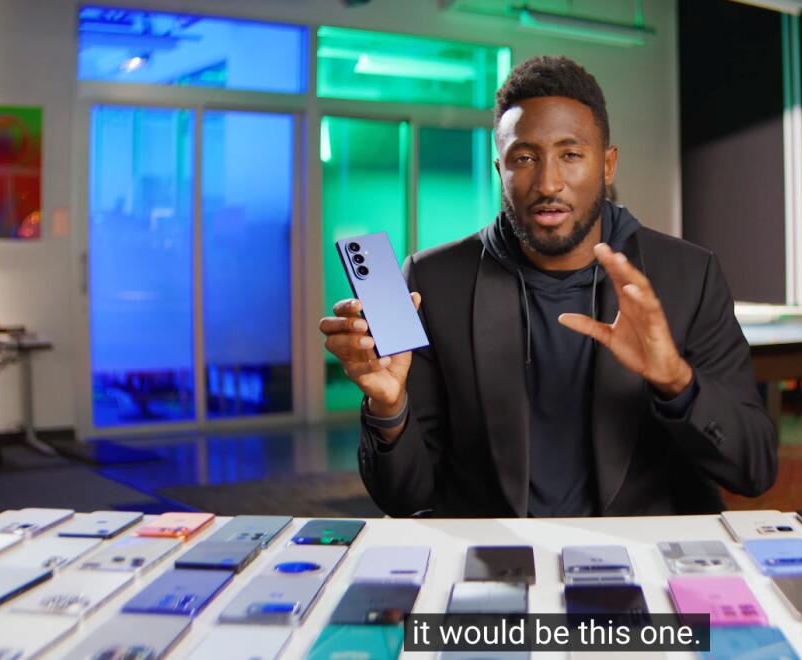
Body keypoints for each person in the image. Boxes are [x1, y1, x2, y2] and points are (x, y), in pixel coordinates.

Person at [321, 55, 776, 517]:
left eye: (570, 154)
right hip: (497, 552)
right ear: (500, 169)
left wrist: (676, 380)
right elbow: (406, 499)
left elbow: (754, 470)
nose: (548, 183)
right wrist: (389, 407)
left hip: (640, 551)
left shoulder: (688, 276)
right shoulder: (435, 282)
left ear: (608, 165)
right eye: (524, 158)